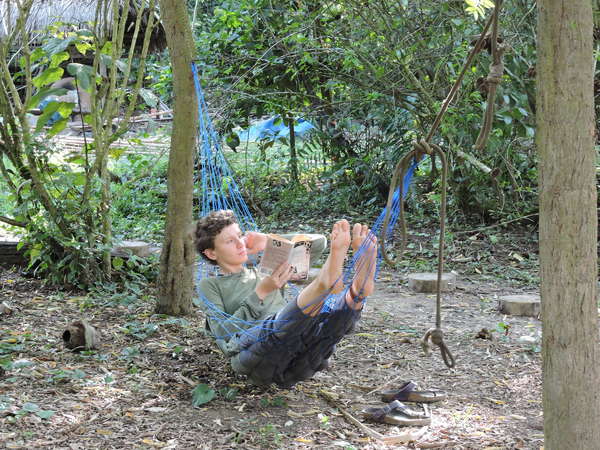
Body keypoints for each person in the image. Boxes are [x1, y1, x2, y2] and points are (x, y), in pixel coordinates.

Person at [193, 209, 377, 387]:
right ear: (211, 253)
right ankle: (325, 284)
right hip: (255, 357)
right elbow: (223, 332)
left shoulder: (265, 268)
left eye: (240, 236)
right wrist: (261, 292)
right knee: (278, 324)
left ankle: (357, 290)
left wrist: (267, 240)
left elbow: (319, 243)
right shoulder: (210, 285)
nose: (240, 244)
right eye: (229, 241)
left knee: (329, 326)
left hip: (299, 357)